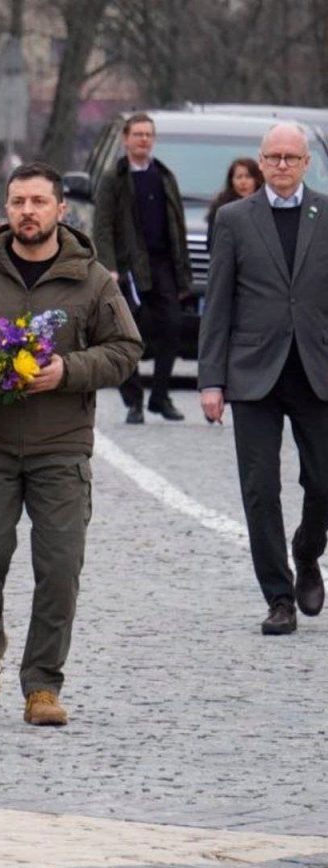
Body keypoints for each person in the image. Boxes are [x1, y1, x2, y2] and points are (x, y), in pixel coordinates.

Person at [0, 162, 142, 726]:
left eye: (39, 202)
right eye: (18, 201)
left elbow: (125, 349)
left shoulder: (90, 280)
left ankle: (42, 685)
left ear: (61, 210)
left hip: (61, 446)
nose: (28, 211)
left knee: (60, 567)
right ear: (6, 208)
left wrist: (67, 370)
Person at [199, 122, 328, 636]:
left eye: (289, 157)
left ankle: (307, 548)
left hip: (316, 368)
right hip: (253, 373)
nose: (280, 165)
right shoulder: (234, 219)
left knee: (323, 480)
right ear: (259, 161)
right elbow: (219, 300)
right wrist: (212, 380)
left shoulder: (325, 212)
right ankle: (278, 596)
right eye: (271, 157)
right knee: (260, 488)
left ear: (306, 163)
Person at [93, 112, 193, 424]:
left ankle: (160, 396)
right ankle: (133, 401)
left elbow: (177, 224)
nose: (143, 140)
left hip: (163, 264)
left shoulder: (164, 175)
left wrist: (183, 271)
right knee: (126, 333)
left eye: (148, 134)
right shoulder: (114, 178)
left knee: (174, 326)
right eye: (137, 134)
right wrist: (109, 266)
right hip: (128, 267)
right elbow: (103, 225)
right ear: (126, 139)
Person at [206, 157, 263, 250]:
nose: (243, 182)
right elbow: (212, 242)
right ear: (231, 180)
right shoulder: (221, 208)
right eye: (238, 177)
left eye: (248, 176)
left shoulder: (266, 206)